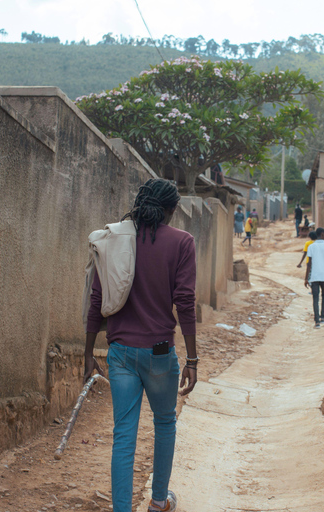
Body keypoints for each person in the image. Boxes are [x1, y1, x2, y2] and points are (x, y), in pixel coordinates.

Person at [85, 178, 199, 512]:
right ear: (171, 210)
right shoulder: (181, 242)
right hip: (160, 352)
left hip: (120, 353)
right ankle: (159, 502)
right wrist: (192, 359)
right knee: (165, 423)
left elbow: (97, 299)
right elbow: (186, 302)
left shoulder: (114, 239)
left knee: (124, 434)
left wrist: (88, 353)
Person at [304, 227, 324, 328]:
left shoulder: (311, 247)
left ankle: (317, 322)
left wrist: (306, 278)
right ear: (322, 234)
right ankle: (323, 316)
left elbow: (309, 264)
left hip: (314, 275)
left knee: (315, 298)